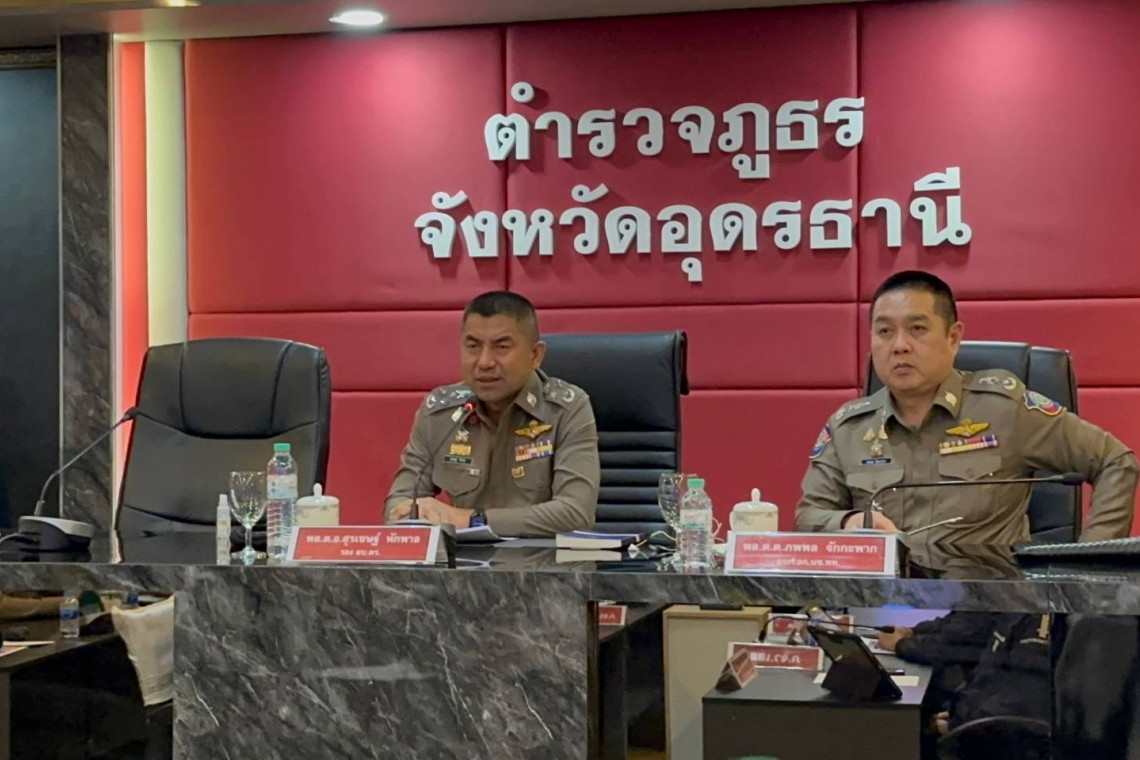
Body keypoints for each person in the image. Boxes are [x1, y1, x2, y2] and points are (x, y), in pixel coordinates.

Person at [796, 270, 1138, 543]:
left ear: (953, 337)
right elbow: (809, 517)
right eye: (884, 331)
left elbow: (1115, 461)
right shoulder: (848, 428)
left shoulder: (1005, 410)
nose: (899, 345)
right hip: (882, 603)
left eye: (917, 329)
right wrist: (849, 522)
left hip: (987, 603)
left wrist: (1088, 570)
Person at [385, 291, 600, 536]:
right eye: (473, 346)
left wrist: (472, 520)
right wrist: (411, 512)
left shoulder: (566, 409)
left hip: (543, 559)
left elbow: (575, 513)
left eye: (501, 347)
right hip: (462, 559)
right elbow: (399, 500)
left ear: (535, 355)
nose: (485, 361)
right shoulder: (442, 413)